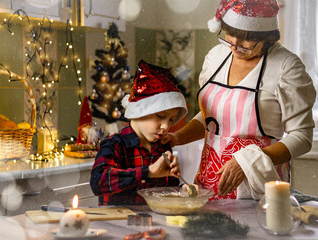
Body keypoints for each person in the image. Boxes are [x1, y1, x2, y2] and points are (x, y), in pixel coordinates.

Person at [162, 0, 316, 201]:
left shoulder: (286, 66)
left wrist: (248, 162)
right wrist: (177, 138)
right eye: (229, 34)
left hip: (260, 187)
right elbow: (213, 118)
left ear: (267, 37)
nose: (234, 45)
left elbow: (302, 137)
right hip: (209, 182)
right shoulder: (216, 57)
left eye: (246, 39)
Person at [90, 60, 188, 205]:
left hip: (156, 224)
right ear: (139, 111)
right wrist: (148, 172)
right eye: (160, 116)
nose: (166, 126)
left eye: (171, 120)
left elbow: (167, 191)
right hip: (119, 225)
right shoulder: (115, 145)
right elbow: (98, 182)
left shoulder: (162, 147)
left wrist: (182, 191)